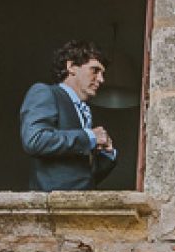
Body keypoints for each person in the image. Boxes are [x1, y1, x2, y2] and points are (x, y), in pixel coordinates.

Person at [19, 40, 119, 191]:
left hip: (80, 203)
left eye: (102, 74)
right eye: (95, 70)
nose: (101, 79)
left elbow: (79, 177)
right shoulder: (45, 92)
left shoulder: (84, 111)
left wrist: (107, 155)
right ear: (71, 66)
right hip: (52, 203)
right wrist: (90, 136)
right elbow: (35, 139)